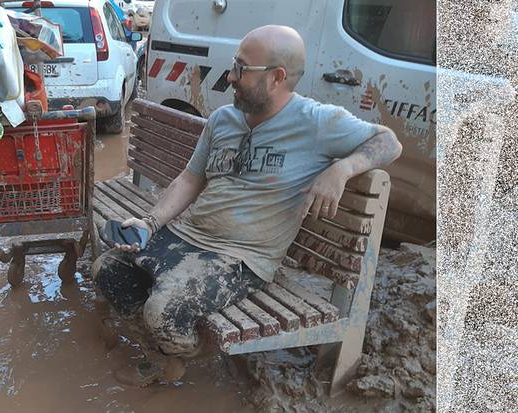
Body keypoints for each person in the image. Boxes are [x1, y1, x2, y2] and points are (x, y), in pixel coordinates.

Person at [91, 25, 403, 387]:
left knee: (162, 310)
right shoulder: (223, 119)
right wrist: (149, 222)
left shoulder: (316, 123)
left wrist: (343, 167)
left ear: (276, 78)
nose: (230, 76)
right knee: (107, 269)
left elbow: (389, 142)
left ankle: (173, 355)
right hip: (187, 235)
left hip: (240, 256)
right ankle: (164, 352)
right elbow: (190, 179)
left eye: (241, 68)